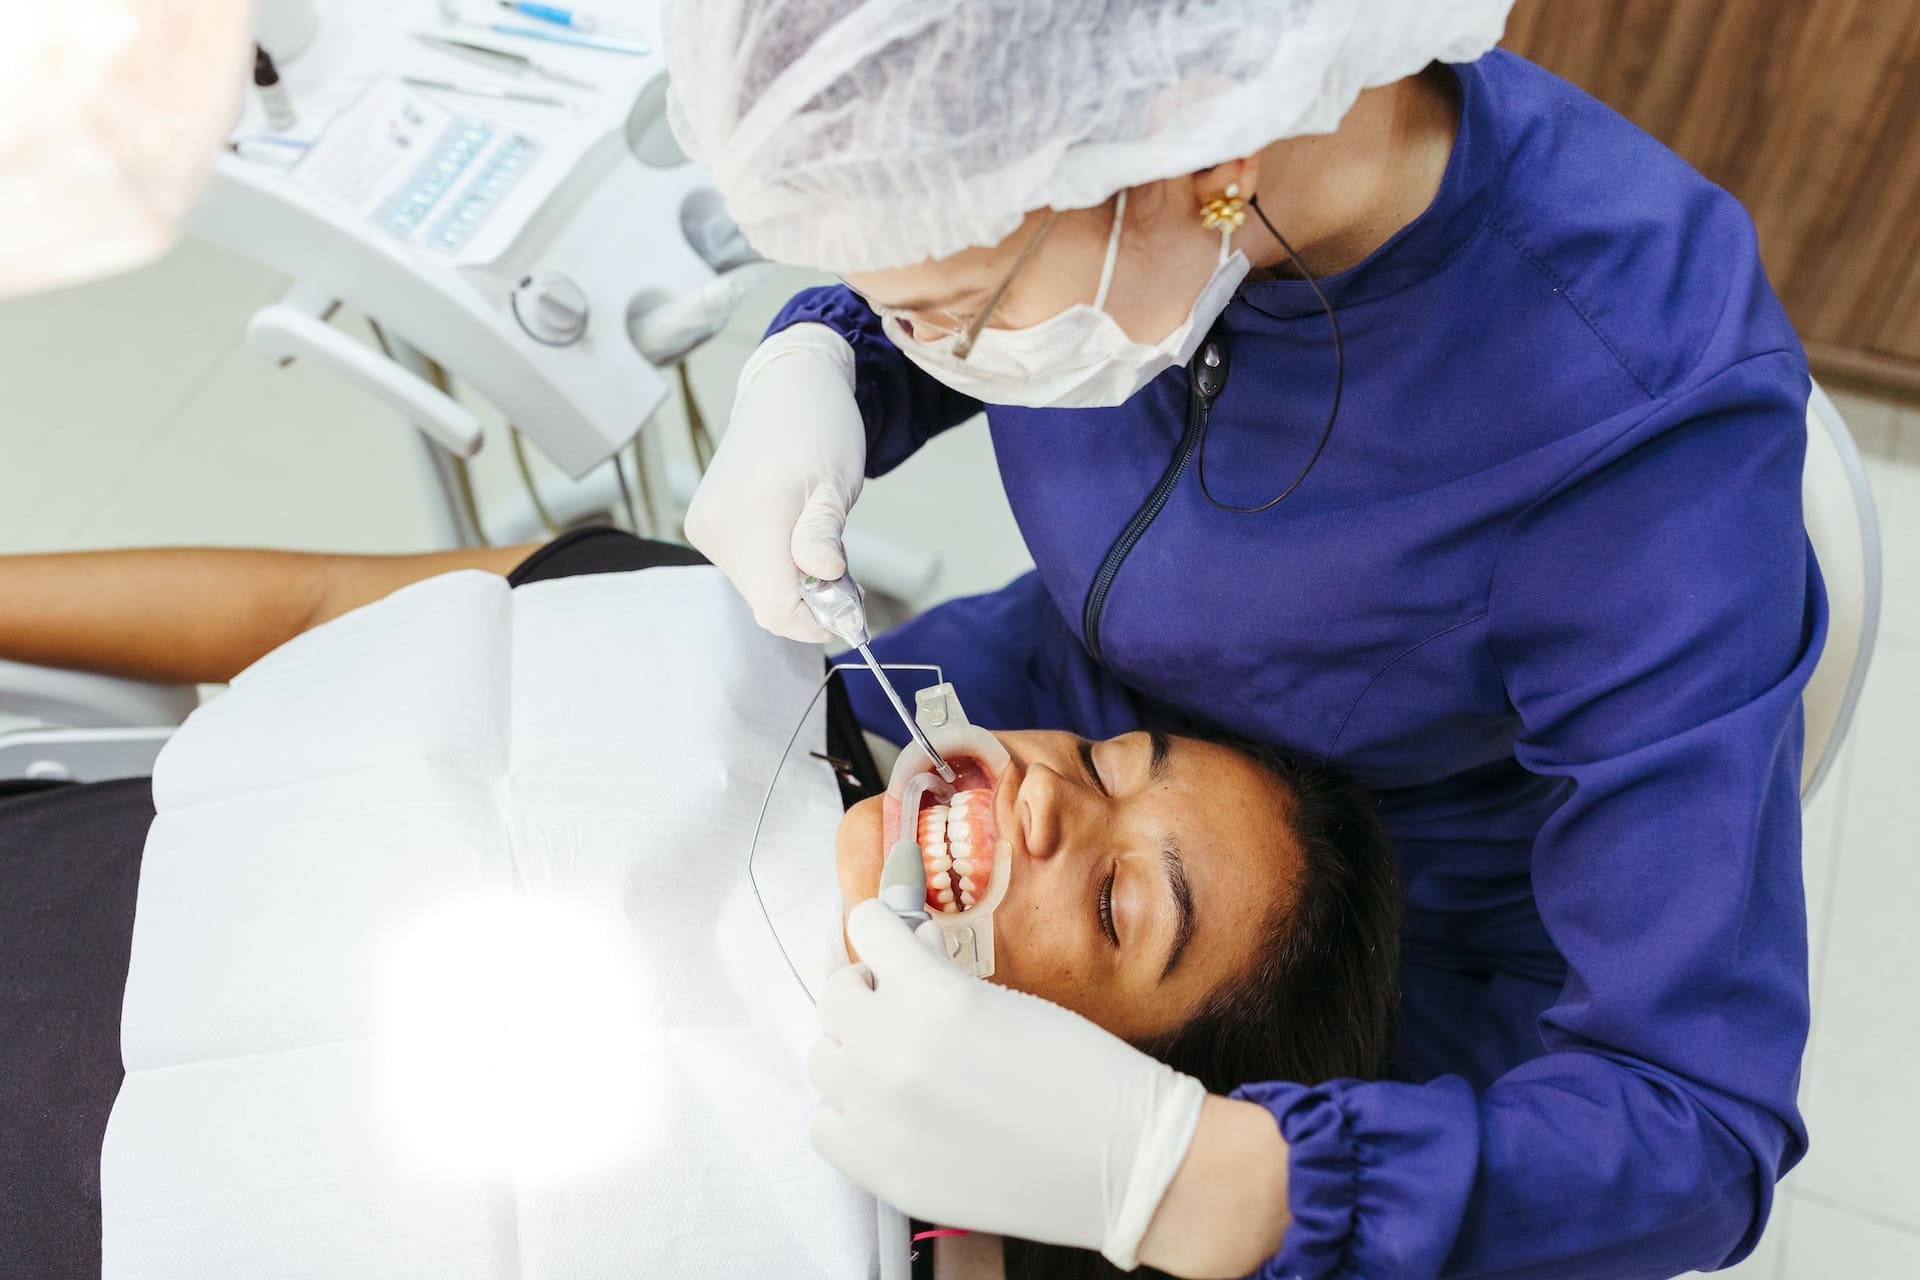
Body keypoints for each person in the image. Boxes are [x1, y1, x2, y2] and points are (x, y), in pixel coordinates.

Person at [663, 1, 1826, 1276]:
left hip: (1306, 946)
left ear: (1204, 164)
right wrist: (829, 357)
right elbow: (984, 202)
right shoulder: (1118, 135)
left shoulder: (1636, 420)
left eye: (948, 309)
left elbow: (1697, 1131)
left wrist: (1210, 1176)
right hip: (1088, 718)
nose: (930, 343)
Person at [0, 530, 1401, 1280]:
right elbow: (312, 604)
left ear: (1106, 1092)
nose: (1046, 799)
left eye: (1113, 909)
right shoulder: (703, 645)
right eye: (1105, 762)